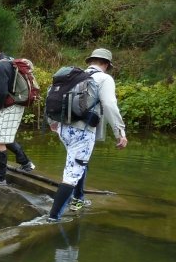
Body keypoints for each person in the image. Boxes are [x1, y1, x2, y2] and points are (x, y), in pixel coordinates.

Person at [47, 48, 128, 221]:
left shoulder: (74, 76)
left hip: (63, 128)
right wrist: (120, 132)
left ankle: (78, 198)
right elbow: (110, 105)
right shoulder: (104, 78)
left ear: (90, 61)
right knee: (72, 173)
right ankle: (53, 218)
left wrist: (52, 123)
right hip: (82, 132)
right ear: (106, 64)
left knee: (78, 163)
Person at [0, 41, 35, 182]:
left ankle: (0, 178)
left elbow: (2, 91)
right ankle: (26, 163)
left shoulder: (0, 65)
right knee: (4, 138)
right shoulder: (8, 60)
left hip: (10, 107)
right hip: (14, 106)